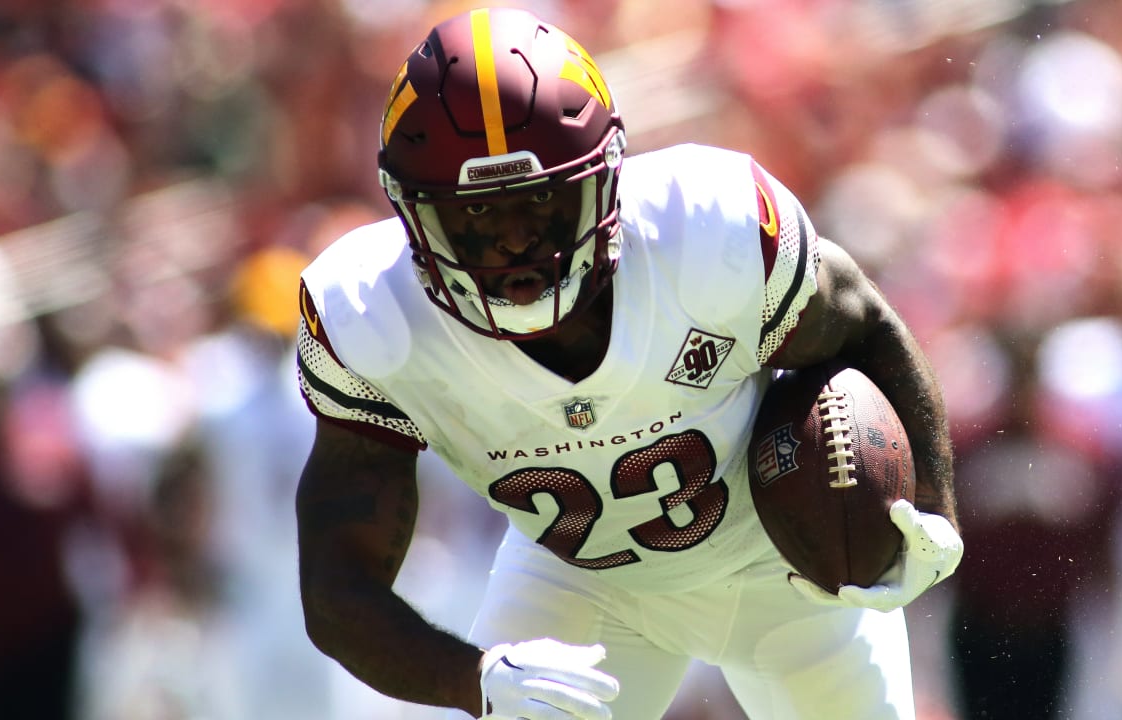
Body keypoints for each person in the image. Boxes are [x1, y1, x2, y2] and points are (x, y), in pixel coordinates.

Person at [293, 7, 962, 719]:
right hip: (584, 587)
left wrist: (936, 506)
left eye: (543, 201)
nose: (516, 242)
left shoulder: (709, 231)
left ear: (608, 177)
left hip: (788, 567)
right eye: (477, 215)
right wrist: (476, 677)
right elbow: (339, 586)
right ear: (412, 213)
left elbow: (863, 322)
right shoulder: (370, 316)